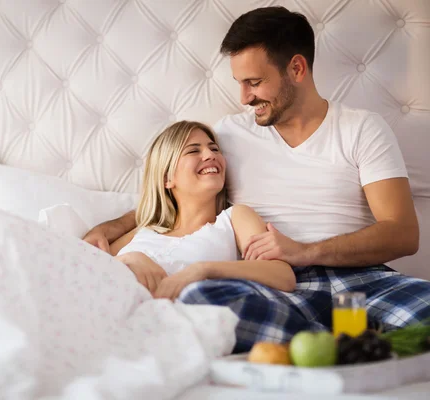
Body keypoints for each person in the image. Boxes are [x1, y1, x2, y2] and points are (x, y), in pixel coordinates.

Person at [83, 6, 430, 352]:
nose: (245, 98)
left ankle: (327, 347)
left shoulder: (361, 128)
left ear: (296, 68)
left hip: (361, 279)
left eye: (255, 82)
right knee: (201, 299)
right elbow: (177, 197)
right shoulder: (228, 137)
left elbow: (402, 233)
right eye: (240, 83)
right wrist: (114, 228)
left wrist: (305, 252)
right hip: (272, 287)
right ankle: (342, 349)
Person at [111, 120, 297, 301]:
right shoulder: (145, 231)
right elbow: (91, 263)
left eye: (214, 149)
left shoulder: (234, 218)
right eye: (193, 150)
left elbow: (283, 277)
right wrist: (129, 258)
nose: (210, 155)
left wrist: (203, 269)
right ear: (167, 177)